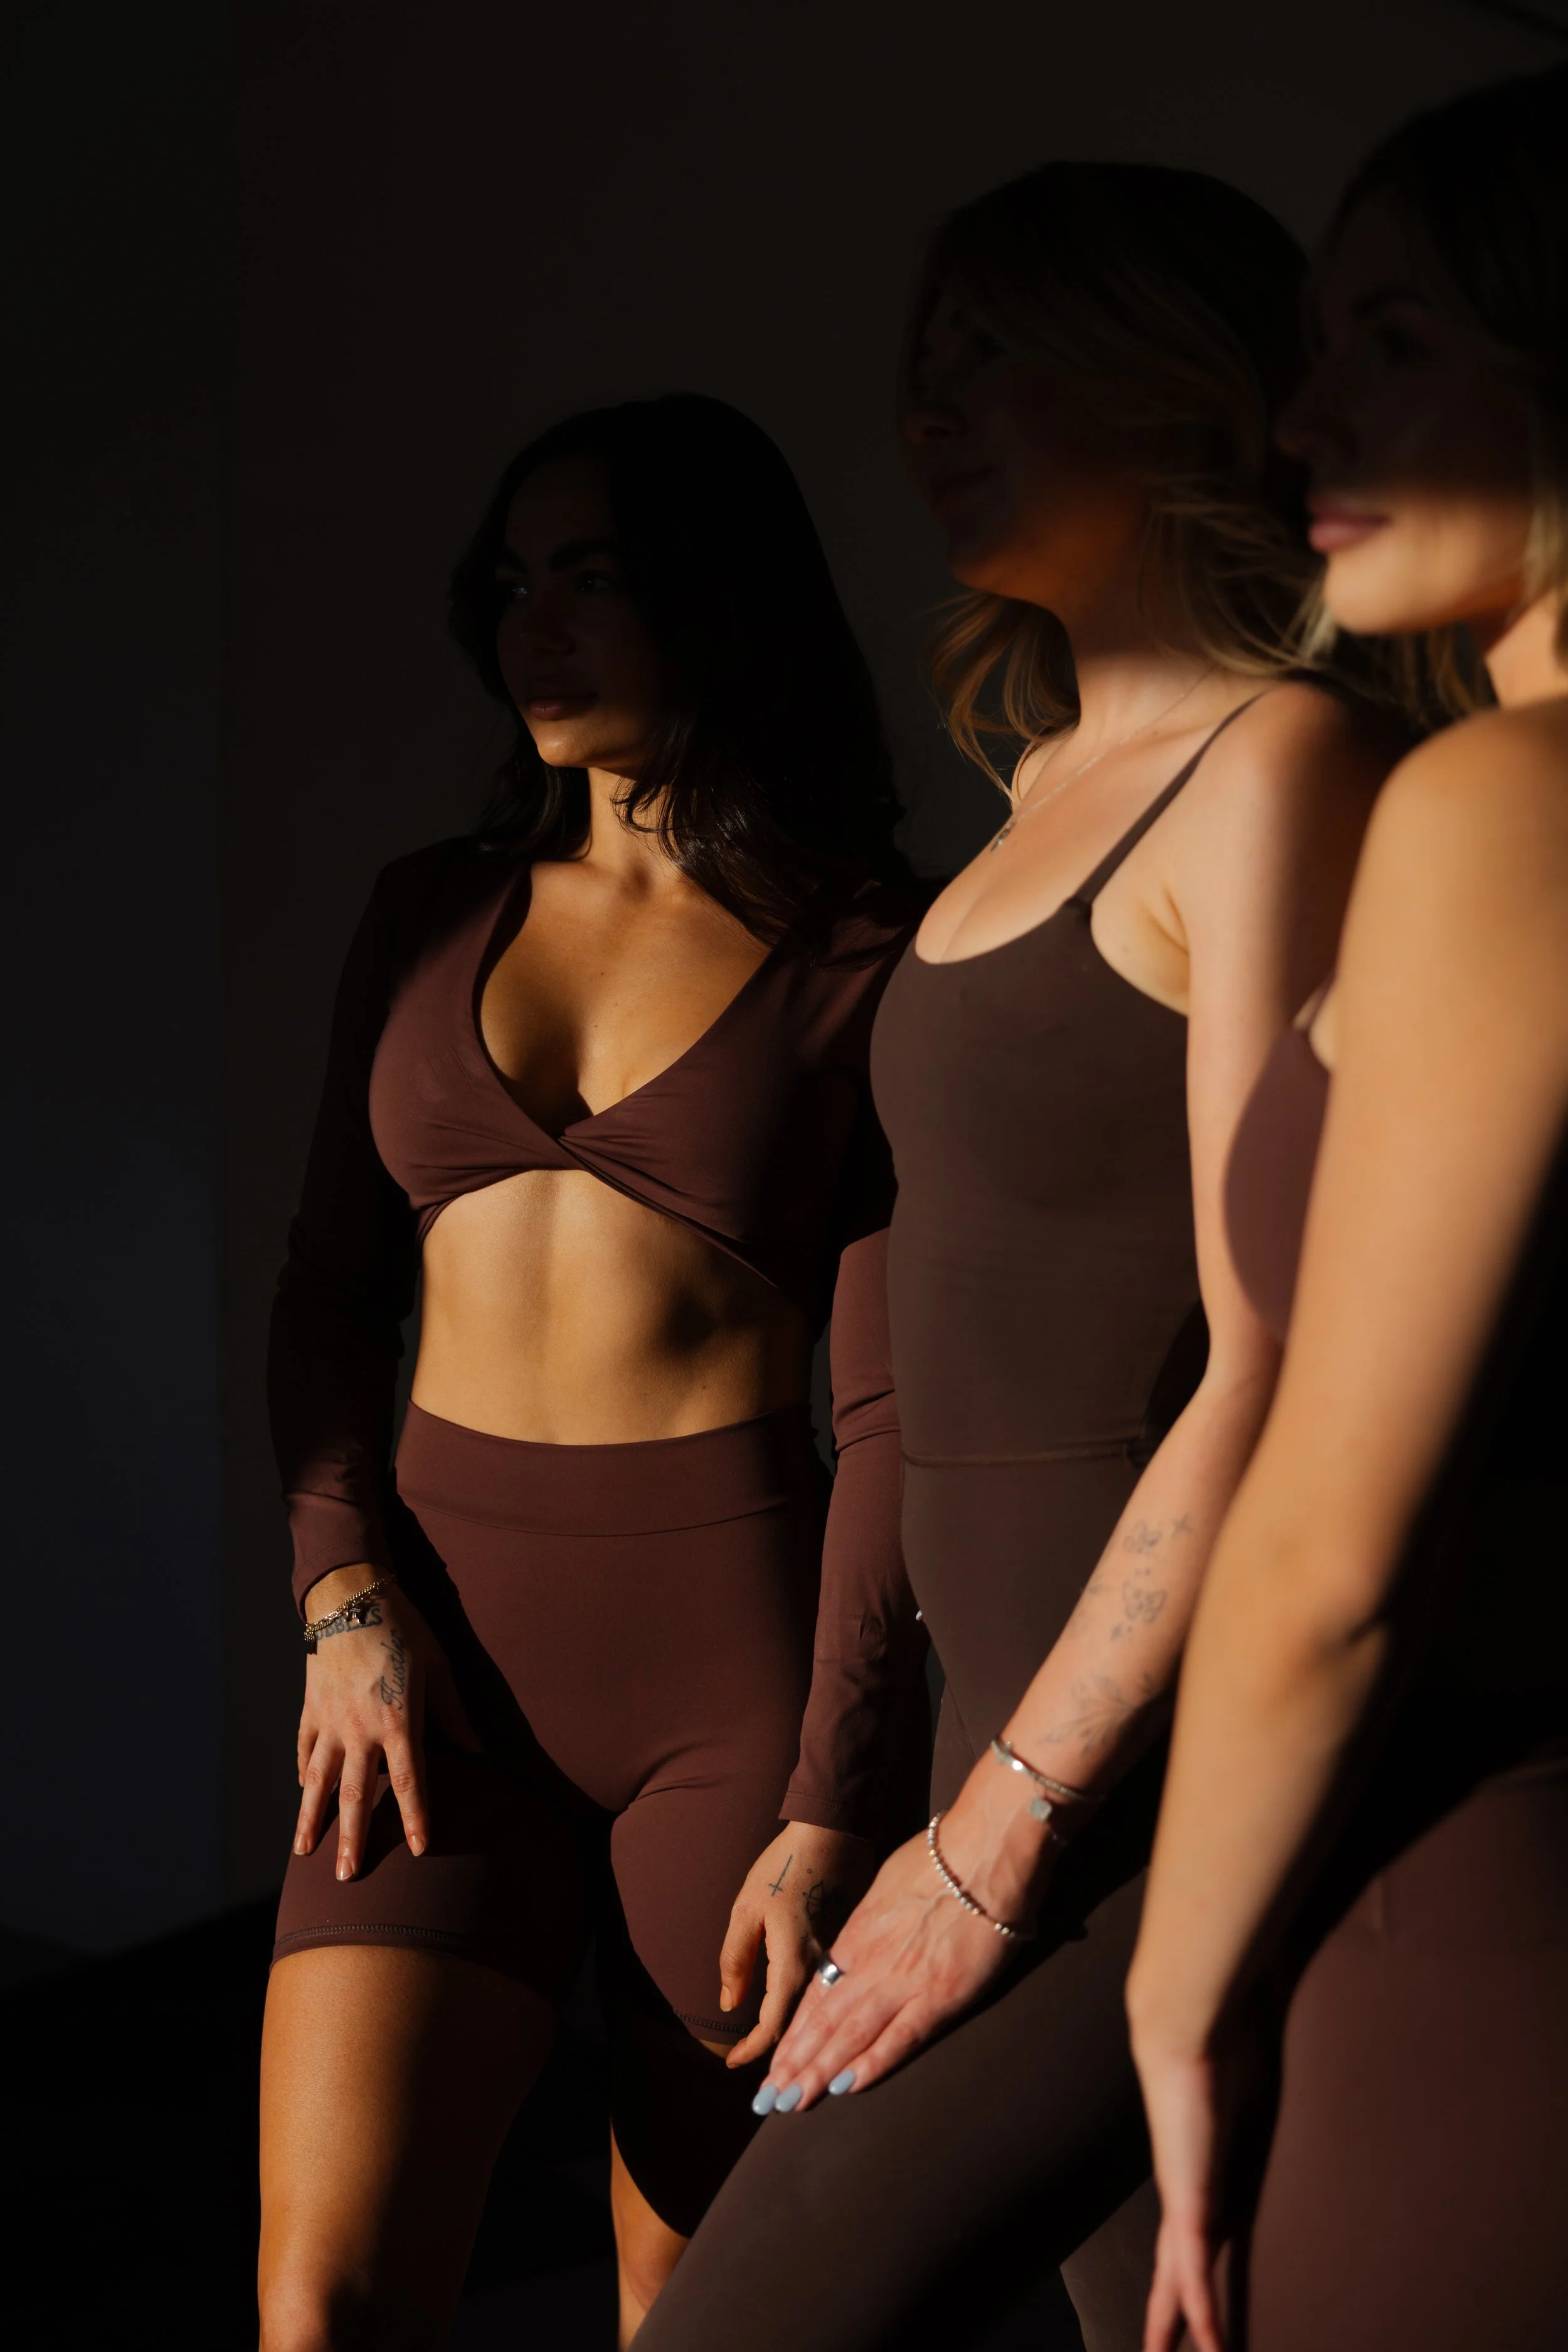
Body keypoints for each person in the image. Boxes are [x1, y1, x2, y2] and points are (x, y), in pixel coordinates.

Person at [633, 165, 1403, 2352]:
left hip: (1138, 1763)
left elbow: (1277, 1357)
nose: (923, 409)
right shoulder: (1044, 774)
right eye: (920, 362)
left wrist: (998, 1833)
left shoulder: (1276, 766)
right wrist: (853, 1789)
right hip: (1000, 1734)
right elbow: (919, 1353)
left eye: (990, 353)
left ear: (1170, 382)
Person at [256, 394, 932, 2351]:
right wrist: (341, 1594)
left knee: (689, 2309)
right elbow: (326, 1291)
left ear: (713, 600)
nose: (530, 625)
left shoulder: (862, 950)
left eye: (590, 577)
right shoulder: (430, 906)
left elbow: (884, 1414)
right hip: (427, 1668)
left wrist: (833, 1792)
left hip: (729, 1694)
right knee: (322, 2304)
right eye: (511, 581)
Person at [1126, 65, 1568, 2352]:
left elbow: (1326, 1554)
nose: (1301, 420)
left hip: (1461, 1916)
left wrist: (1172, 1993)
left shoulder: (1504, 805)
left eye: (1393, 340)